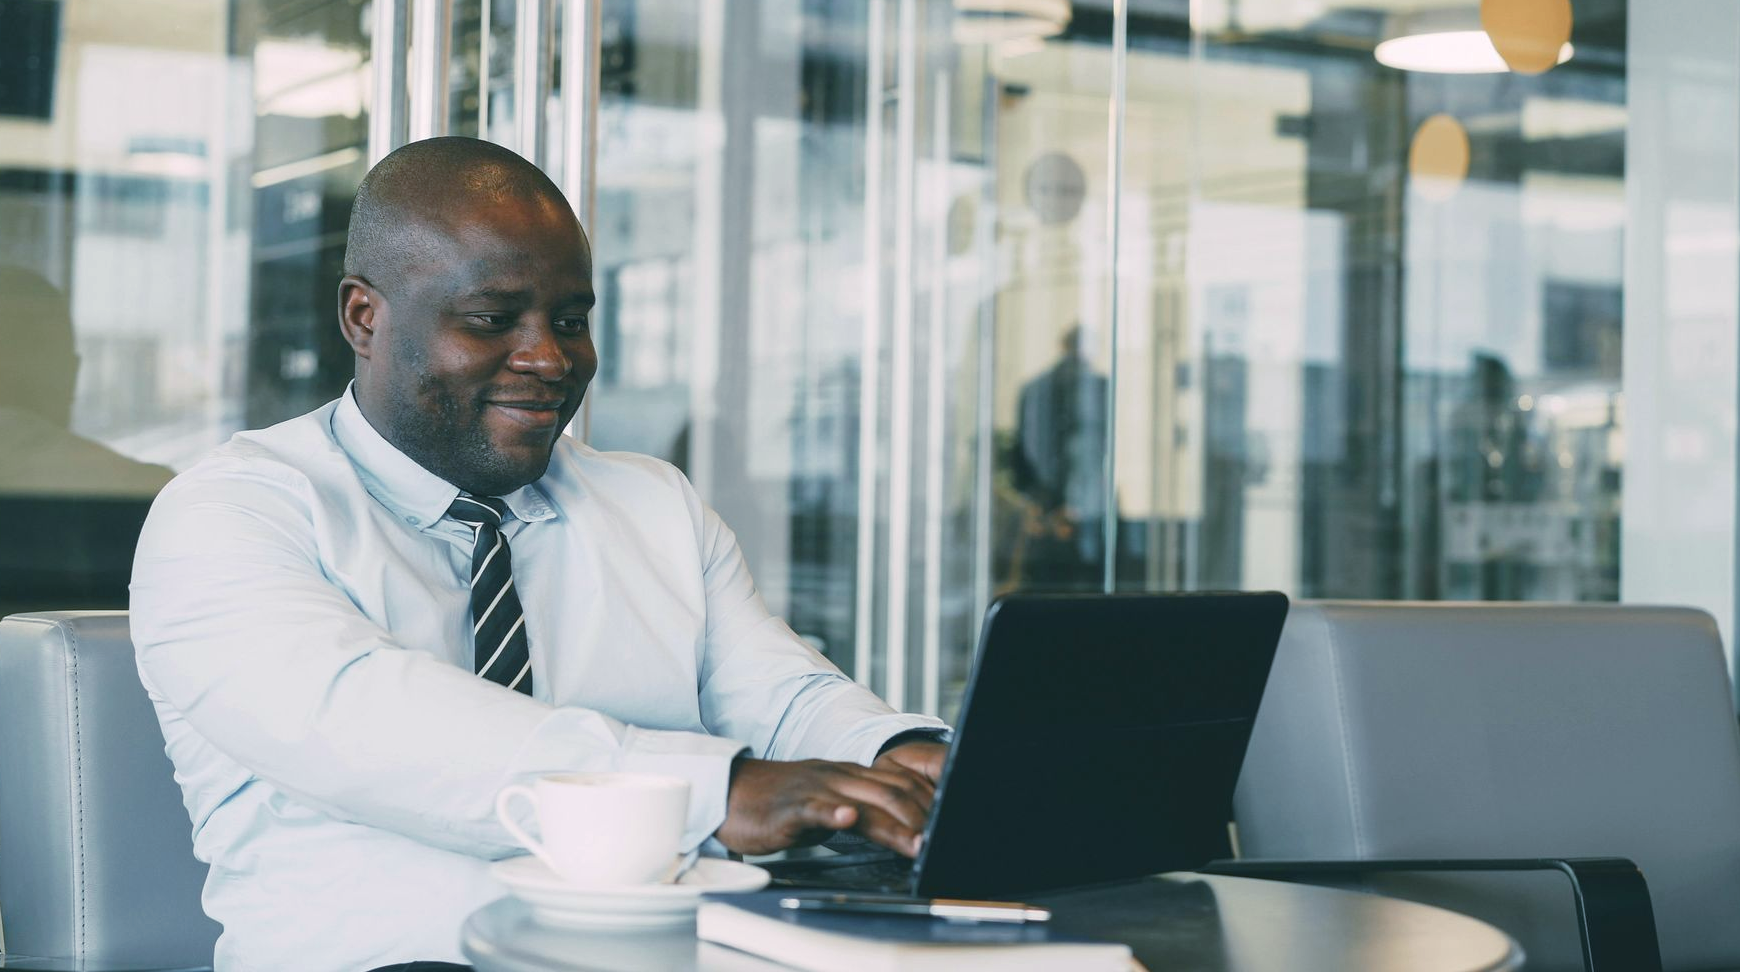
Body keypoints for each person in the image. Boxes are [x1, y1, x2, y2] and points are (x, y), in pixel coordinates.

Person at [130, 136, 948, 972]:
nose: (549, 359)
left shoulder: (652, 503)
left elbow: (779, 695)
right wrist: (713, 793)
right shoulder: (230, 513)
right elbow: (370, 723)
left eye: (571, 321)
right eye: (491, 320)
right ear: (363, 317)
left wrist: (894, 756)